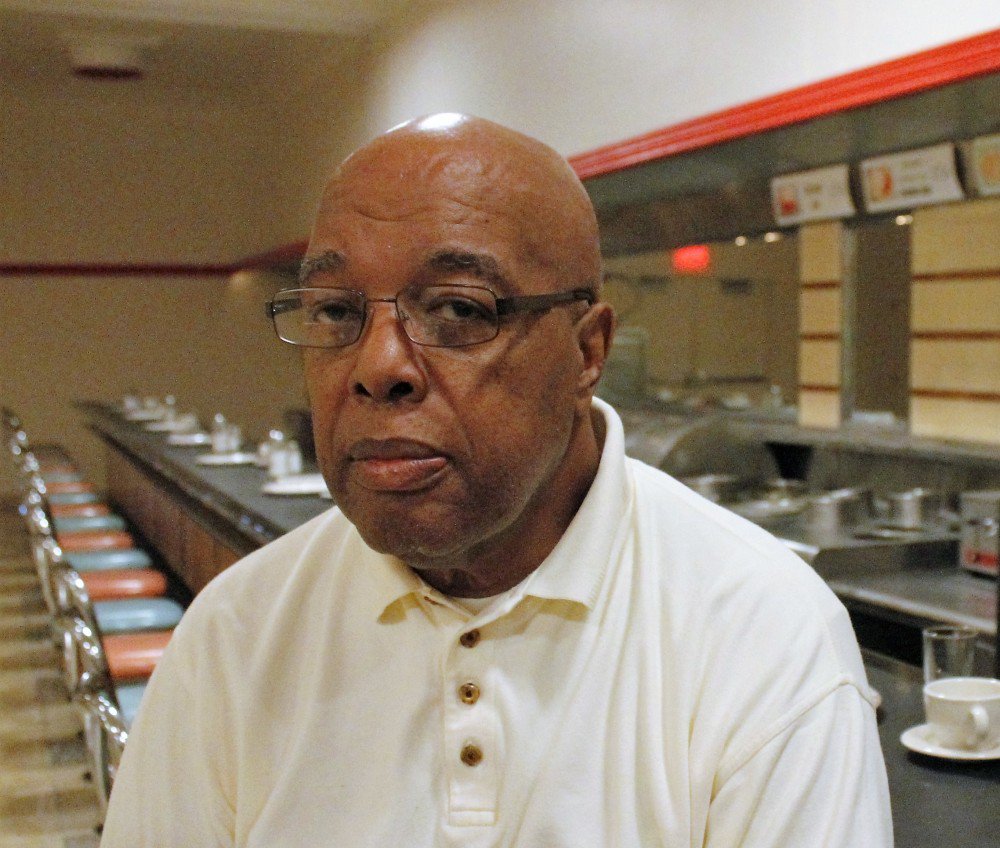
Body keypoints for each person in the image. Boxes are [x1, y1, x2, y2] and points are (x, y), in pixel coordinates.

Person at [101, 114, 892, 846]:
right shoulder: (239, 635)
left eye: (458, 309)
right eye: (337, 314)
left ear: (588, 352)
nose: (378, 367)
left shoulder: (763, 638)